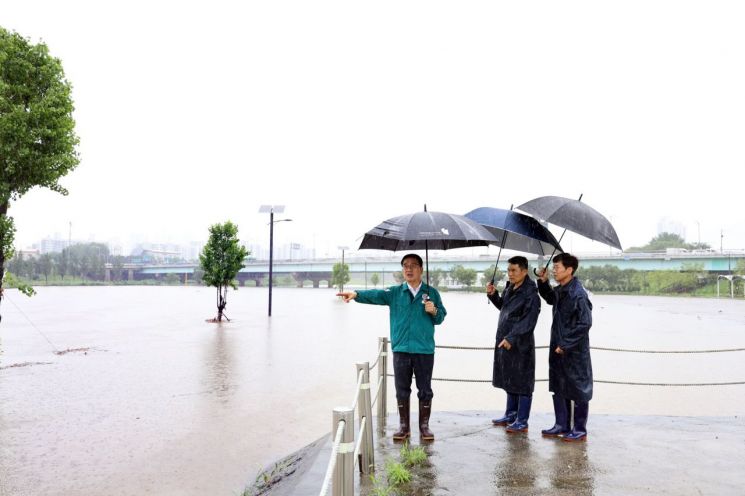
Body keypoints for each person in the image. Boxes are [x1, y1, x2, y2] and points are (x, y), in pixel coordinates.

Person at [337, 253, 446, 441]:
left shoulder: (431, 293)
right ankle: (404, 427)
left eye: (413, 265)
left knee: (425, 389)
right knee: (401, 389)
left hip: (424, 350)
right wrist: (356, 294)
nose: (409, 269)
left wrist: (433, 310)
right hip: (401, 349)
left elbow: (440, 318)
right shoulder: (396, 292)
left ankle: (424, 427)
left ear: (421, 269)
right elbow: (376, 295)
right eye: (405, 266)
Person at [537, 253, 593, 442]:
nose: (554, 271)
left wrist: (565, 344)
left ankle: (579, 429)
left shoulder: (578, 293)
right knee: (559, 385)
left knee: (578, 388)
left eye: (557, 268)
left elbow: (585, 323)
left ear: (569, 270)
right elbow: (550, 298)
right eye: (554, 268)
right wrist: (543, 282)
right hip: (558, 347)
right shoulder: (562, 290)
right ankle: (561, 424)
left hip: (574, 351)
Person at [486, 256, 541, 433]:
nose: (510, 274)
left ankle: (522, 420)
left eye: (514, 270)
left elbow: (528, 321)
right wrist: (493, 295)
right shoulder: (511, 288)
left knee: (523, 382)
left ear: (524, 271)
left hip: (520, 344)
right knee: (510, 378)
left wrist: (512, 338)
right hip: (505, 340)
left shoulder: (531, 294)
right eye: (508, 270)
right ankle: (511, 414)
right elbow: (504, 307)